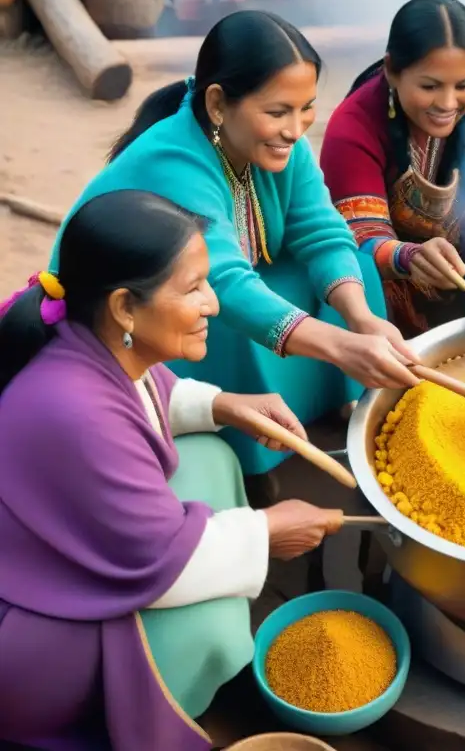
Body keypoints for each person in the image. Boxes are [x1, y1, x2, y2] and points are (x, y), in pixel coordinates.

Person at [0, 191, 345, 750]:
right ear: (124, 308)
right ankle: (172, 693)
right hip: (33, 635)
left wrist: (223, 404)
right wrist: (271, 531)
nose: (213, 304)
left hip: (67, 550)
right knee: (207, 626)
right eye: (193, 289)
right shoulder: (72, 408)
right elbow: (160, 563)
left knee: (212, 455)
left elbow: (140, 398)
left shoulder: (88, 338)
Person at [47, 10, 418, 498]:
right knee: (224, 318)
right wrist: (340, 345)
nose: (295, 128)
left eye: (306, 108)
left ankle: (328, 407)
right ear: (219, 104)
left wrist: (360, 318)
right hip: (129, 313)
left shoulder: (281, 142)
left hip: (211, 278)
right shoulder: (174, 160)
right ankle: (254, 456)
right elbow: (224, 279)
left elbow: (322, 230)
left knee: (354, 274)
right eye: (278, 111)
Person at [320, 0, 465, 338]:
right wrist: (409, 257)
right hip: (389, 292)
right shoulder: (353, 125)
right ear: (391, 71)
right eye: (429, 86)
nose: (447, 103)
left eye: (464, 84)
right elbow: (360, 236)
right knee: (356, 274)